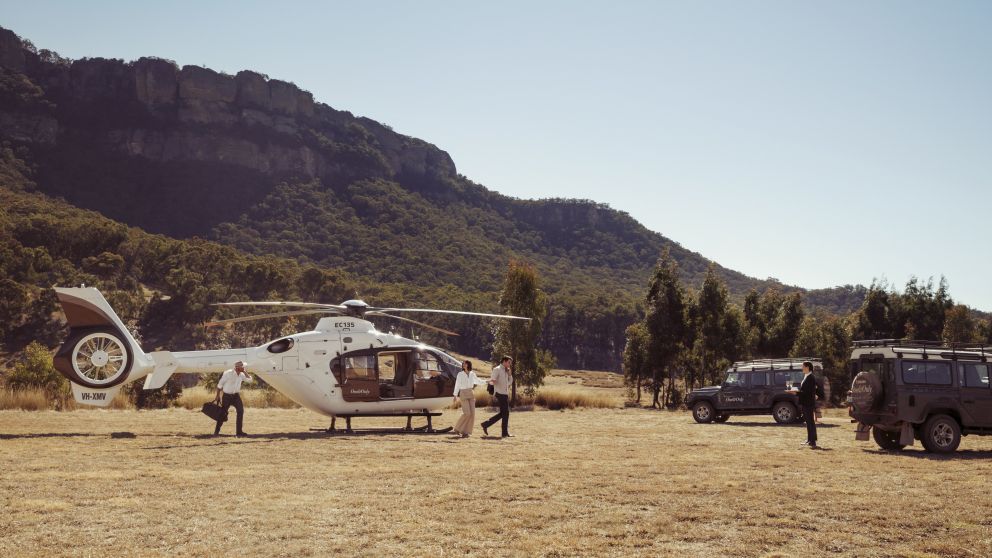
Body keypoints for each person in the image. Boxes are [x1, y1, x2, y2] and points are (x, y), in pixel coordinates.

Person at [214, 361, 253, 437]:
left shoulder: (242, 374)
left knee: (240, 411)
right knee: (223, 413)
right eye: (242, 367)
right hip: (227, 396)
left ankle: (239, 432)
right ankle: (216, 432)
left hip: (236, 396)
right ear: (237, 367)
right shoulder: (228, 373)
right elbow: (219, 385)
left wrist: (244, 372)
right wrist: (217, 396)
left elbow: (250, 380)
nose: (243, 368)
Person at [481, 356, 513, 438]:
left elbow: (510, 382)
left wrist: (509, 375)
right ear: (504, 362)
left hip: (504, 393)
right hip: (499, 393)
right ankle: (504, 433)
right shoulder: (497, 369)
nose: (510, 364)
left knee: (504, 413)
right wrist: (493, 382)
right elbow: (492, 381)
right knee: (506, 413)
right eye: (509, 362)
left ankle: (486, 424)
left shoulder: (506, 370)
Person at [451, 360, 483, 438]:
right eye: (463, 364)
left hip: (470, 393)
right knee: (467, 413)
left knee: (472, 414)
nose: (463, 365)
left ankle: (466, 432)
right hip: (463, 393)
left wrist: (488, 381)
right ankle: (457, 428)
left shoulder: (472, 374)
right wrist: (455, 395)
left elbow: (478, 381)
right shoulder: (460, 374)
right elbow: (457, 384)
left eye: (465, 364)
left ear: (468, 364)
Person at [798, 361, 821, 448]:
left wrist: (796, 393)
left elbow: (807, 392)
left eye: (803, 366)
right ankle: (809, 440)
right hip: (806, 402)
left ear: (807, 367)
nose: (802, 368)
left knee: (810, 421)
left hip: (808, 403)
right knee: (808, 422)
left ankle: (813, 441)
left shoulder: (811, 377)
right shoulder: (807, 376)